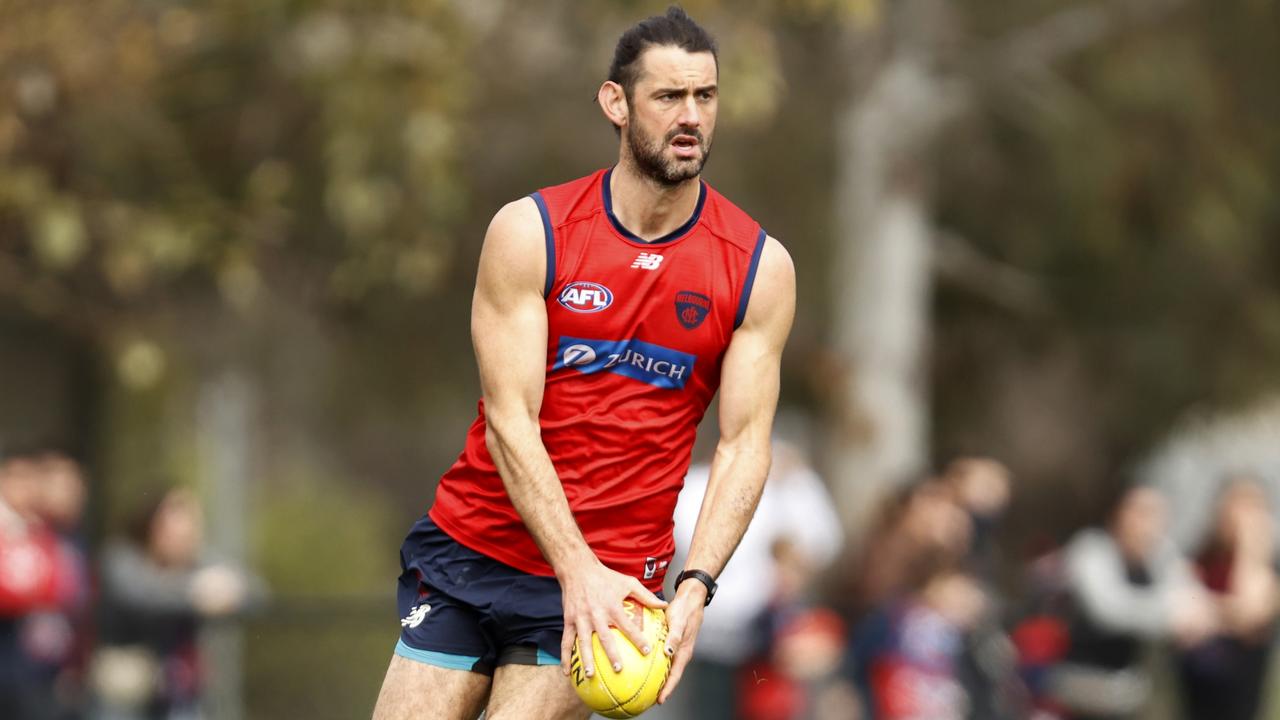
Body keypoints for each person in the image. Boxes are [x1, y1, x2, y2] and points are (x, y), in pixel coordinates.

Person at [370, 6, 796, 720]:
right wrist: (576, 570)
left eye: (705, 96)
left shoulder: (757, 267)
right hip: (475, 547)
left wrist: (695, 585)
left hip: (615, 581)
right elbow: (510, 420)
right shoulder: (531, 232)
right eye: (668, 96)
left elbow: (745, 443)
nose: (690, 116)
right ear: (616, 103)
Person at [1050, 485, 1215, 720]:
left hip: (1133, 694)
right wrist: (1174, 614)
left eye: (1156, 515)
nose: (1147, 524)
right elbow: (1109, 610)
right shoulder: (1090, 550)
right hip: (1084, 691)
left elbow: (1191, 596)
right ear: (1117, 513)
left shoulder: (1160, 554)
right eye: (1141, 512)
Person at [93, 489, 259, 720]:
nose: (181, 539)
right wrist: (196, 592)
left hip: (180, 691)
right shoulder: (122, 557)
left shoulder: (198, 562)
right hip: (126, 691)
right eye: (171, 530)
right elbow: (143, 596)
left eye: (189, 532)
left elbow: (255, 592)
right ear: (151, 527)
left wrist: (231, 590)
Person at [1179, 475, 1280, 720]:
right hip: (1193, 697)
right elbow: (1183, 614)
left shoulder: (1266, 567)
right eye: (1237, 504)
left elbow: (1250, 613)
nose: (1243, 517)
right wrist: (1222, 612)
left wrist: (1250, 549)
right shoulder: (1199, 559)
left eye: (1253, 506)